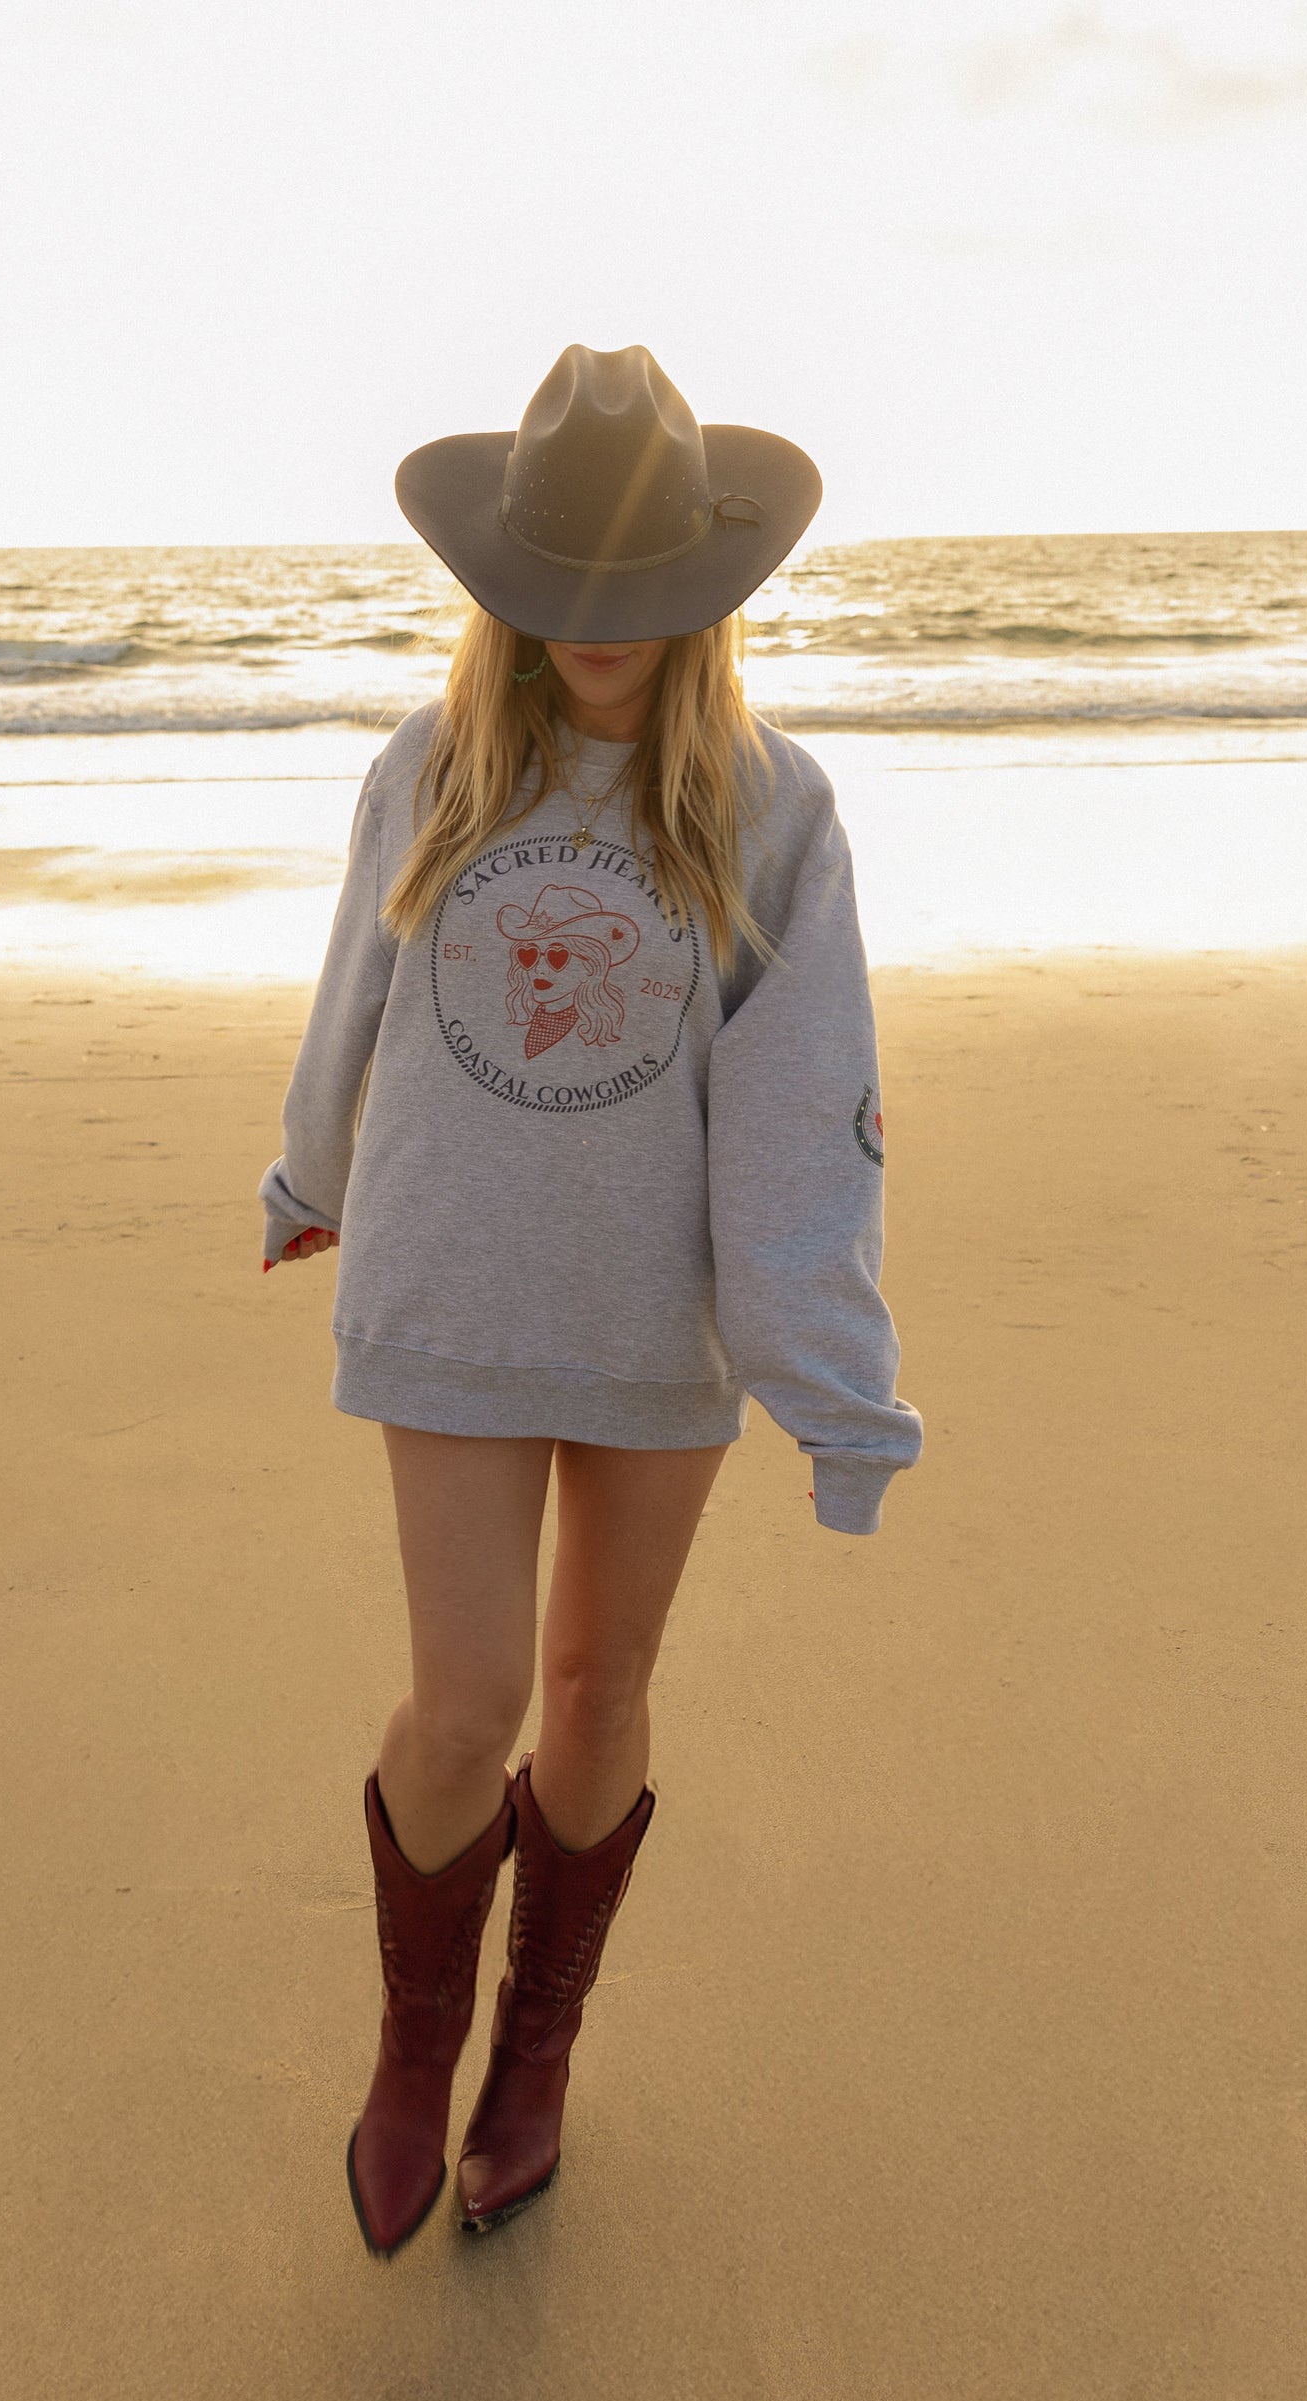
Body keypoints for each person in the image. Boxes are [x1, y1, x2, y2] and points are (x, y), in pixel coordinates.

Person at [258, 344, 922, 2257]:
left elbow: (809, 1111)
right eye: (558, 598)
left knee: (593, 1688)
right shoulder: (432, 764)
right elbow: (348, 1006)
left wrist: (836, 1391)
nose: (597, 640)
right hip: (448, 1280)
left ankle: (533, 2055)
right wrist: (307, 1174)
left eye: (633, 601)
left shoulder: (772, 804)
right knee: (463, 1708)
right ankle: (412, 2051)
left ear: (707, 593)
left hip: (658, 1318)